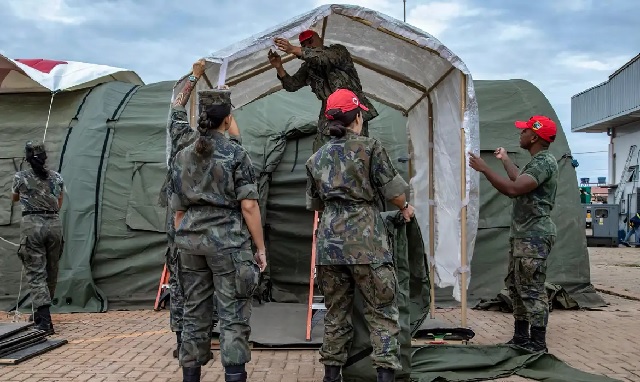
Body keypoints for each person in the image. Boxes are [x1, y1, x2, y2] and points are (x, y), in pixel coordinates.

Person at [305, 88, 415, 382]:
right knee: (381, 313)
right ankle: (384, 377)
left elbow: (315, 204)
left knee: (335, 314)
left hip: (329, 247)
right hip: (368, 244)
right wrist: (405, 208)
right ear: (357, 117)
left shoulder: (316, 158)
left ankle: (331, 376)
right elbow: (394, 192)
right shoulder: (370, 147)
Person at [171, 87, 267, 382]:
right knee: (233, 314)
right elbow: (248, 205)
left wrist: (186, 241)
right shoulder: (236, 153)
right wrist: (260, 248)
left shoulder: (183, 155)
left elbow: (179, 211)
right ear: (227, 120)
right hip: (228, 243)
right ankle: (234, 375)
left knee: (194, 313)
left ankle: (190, 376)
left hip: (190, 243)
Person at [159, 59, 238, 358]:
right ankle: (209, 338)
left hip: (180, 220)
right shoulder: (224, 147)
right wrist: (226, 102)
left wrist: (193, 78)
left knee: (182, 280)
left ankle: (184, 343)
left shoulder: (182, 137)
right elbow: (235, 134)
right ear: (222, 120)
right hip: (216, 226)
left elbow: (177, 108)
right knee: (217, 281)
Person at [468, 115, 559, 353]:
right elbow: (518, 179)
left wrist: (485, 168)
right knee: (516, 286)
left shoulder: (544, 162)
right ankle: (521, 337)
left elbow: (513, 189)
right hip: (523, 235)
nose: (520, 134)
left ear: (535, 136)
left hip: (534, 236)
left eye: (524, 131)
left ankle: (538, 344)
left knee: (532, 289)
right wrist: (505, 160)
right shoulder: (537, 161)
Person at [268, 30, 378, 152]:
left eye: (310, 41)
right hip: (329, 113)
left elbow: (323, 58)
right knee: (321, 152)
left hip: (351, 109)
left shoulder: (338, 51)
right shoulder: (308, 68)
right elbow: (292, 85)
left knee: (356, 151)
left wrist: (293, 49)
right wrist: (279, 67)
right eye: (304, 45)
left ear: (320, 39)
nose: (309, 46)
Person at [11, 141, 65, 335]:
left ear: (27, 158)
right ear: (45, 158)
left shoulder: (21, 177)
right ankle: (40, 313)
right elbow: (59, 203)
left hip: (32, 225)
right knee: (51, 270)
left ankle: (44, 320)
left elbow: (15, 198)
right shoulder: (57, 177)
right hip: (54, 225)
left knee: (36, 272)